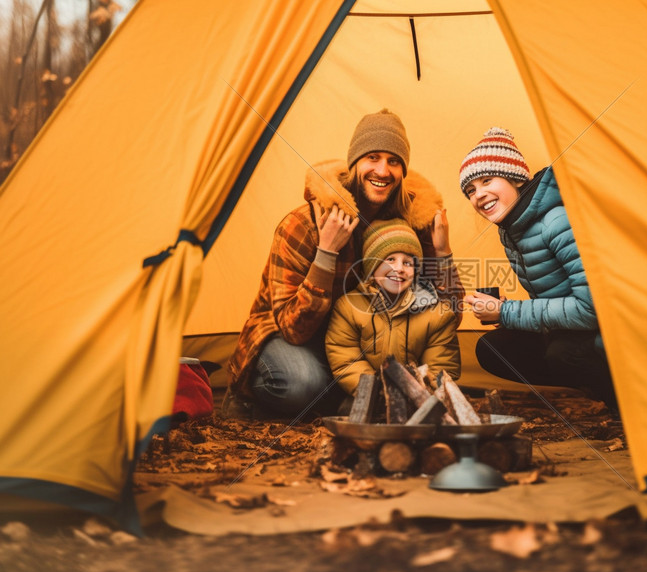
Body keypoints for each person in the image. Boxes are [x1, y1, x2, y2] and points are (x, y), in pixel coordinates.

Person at [226, 109, 462, 418]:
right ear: (354, 163)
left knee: (360, 385)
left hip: (366, 343)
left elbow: (448, 317)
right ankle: (249, 397)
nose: (383, 170)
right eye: (373, 158)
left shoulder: (414, 224)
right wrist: (326, 254)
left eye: (394, 161)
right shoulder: (304, 224)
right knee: (303, 385)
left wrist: (443, 253)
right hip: (297, 339)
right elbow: (293, 329)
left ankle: (345, 395)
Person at [460, 127, 617, 412]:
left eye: (487, 180)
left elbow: (593, 308)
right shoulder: (511, 230)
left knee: (563, 354)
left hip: (611, 331)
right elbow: (553, 297)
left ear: (516, 179)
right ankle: (595, 385)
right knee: (493, 348)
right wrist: (505, 313)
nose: (478, 195)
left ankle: (623, 401)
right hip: (573, 329)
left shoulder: (556, 222)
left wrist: (507, 312)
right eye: (470, 190)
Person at [325, 218, 460, 395]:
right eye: (390, 259)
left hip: (420, 395)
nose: (399, 269)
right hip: (368, 394)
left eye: (407, 263)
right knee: (350, 410)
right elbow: (346, 358)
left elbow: (441, 366)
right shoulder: (349, 307)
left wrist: (419, 393)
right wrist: (376, 391)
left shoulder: (436, 313)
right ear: (372, 267)